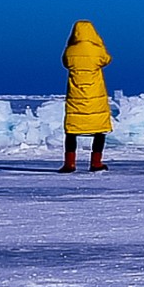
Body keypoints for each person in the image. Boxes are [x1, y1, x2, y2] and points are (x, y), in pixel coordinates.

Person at [61, 20, 112, 173]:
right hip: (95, 95)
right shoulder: (96, 51)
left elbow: (65, 62)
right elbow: (106, 59)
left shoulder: (70, 51)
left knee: (71, 131)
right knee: (99, 130)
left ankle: (69, 164)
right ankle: (96, 163)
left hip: (76, 95)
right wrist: (99, 43)